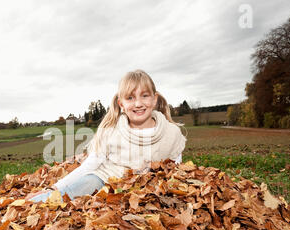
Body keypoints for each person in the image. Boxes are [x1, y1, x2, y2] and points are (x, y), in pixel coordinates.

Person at [26, 69, 187, 203]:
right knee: (85, 185)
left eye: (144, 95)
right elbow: (89, 166)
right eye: (130, 98)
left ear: (154, 99)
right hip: (106, 178)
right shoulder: (111, 132)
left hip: (145, 189)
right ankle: (39, 201)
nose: (138, 103)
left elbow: (175, 169)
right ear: (121, 104)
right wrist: (54, 188)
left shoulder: (171, 133)